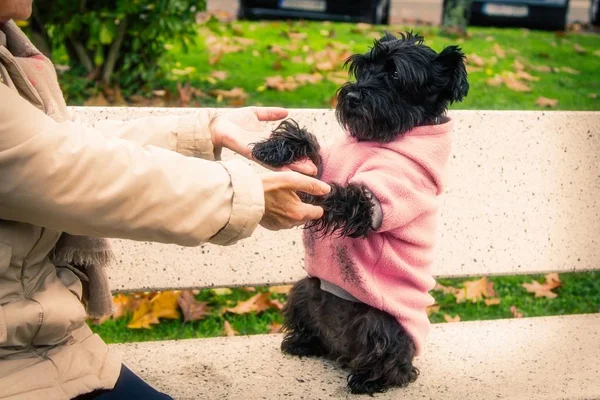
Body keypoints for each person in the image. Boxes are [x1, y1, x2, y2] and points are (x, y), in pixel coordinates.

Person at [0, 2, 330, 399]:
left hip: (45, 349)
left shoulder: (12, 49)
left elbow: (57, 144)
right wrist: (243, 196)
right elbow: (61, 169)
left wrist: (205, 131)